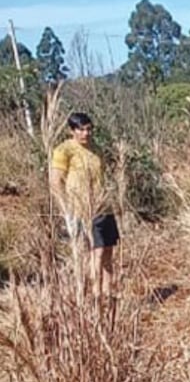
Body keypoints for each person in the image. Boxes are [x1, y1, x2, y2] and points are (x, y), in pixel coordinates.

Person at [49, 111, 119, 299]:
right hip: (82, 209)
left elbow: (103, 177)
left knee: (107, 251)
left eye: (88, 129)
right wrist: (66, 210)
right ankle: (95, 296)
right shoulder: (64, 150)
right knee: (95, 252)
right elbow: (56, 182)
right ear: (72, 130)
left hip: (104, 205)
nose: (86, 134)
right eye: (81, 130)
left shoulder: (97, 149)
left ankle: (108, 293)